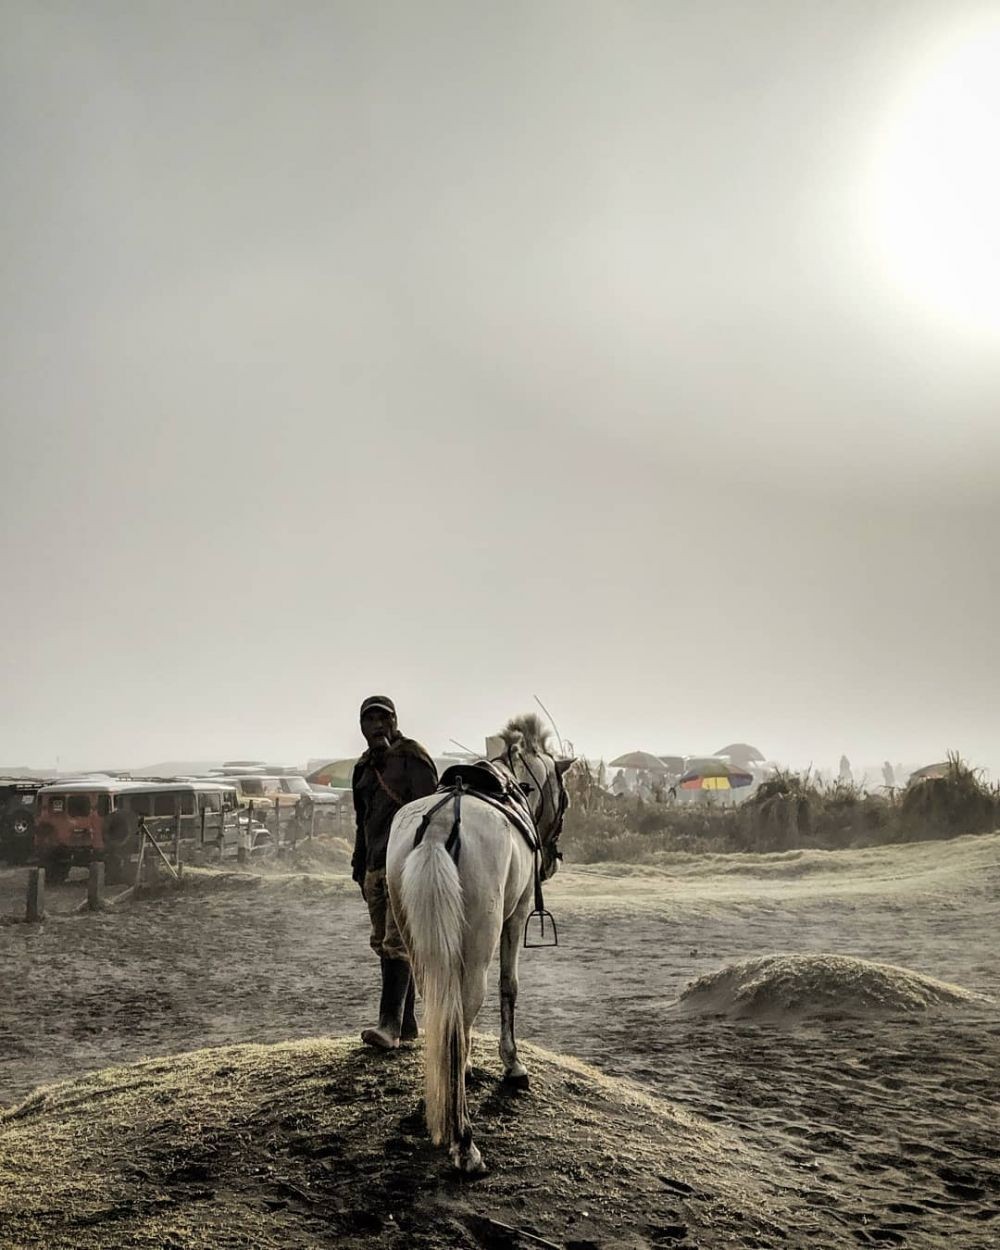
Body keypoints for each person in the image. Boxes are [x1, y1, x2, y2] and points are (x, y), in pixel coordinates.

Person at [351, 695, 438, 1050]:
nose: (376, 726)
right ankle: (408, 1022)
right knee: (382, 943)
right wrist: (359, 867)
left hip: (406, 863)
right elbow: (362, 821)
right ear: (361, 727)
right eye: (369, 720)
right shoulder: (362, 768)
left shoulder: (413, 757)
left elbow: (433, 813)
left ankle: (389, 1026)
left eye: (382, 719)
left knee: (396, 941)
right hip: (374, 864)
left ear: (395, 721)